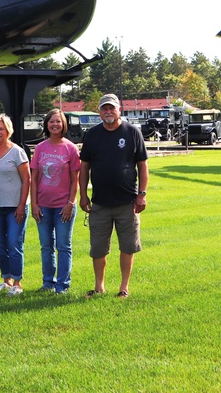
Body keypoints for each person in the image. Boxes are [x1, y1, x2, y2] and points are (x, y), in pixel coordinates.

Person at [79, 93, 148, 299]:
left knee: (127, 246)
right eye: (104, 108)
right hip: (99, 203)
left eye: (112, 108)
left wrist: (142, 194)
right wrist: (83, 195)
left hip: (127, 202)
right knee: (98, 248)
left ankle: (123, 287)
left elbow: (142, 166)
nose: (108, 112)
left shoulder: (132, 132)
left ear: (119, 110)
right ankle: (99, 286)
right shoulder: (92, 134)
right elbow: (84, 168)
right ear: (100, 112)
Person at [31, 108, 81, 294]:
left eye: (58, 121)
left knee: (63, 246)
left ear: (64, 124)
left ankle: (62, 285)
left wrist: (71, 202)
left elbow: (76, 178)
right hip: (43, 205)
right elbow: (34, 178)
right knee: (46, 246)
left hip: (63, 206)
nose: (55, 124)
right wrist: (34, 203)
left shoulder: (70, 148)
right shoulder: (40, 148)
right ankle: (48, 282)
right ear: (46, 124)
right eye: (51, 121)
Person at [0, 114, 31, 296]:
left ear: (8, 130)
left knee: (14, 243)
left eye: (1, 128)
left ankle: (17, 282)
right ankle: (6, 280)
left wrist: (21, 206)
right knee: (0, 244)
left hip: (15, 208)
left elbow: (27, 180)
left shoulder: (17, 152)